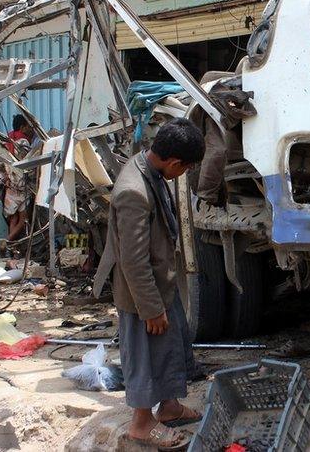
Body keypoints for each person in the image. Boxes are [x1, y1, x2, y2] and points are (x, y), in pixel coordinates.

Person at [97, 118, 205, 451]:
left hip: (161, 282)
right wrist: (151, 309)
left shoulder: (151, 168)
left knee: (169, 345)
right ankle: (142, 424)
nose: (183, 174)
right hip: (140, 292)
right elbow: (132, 261)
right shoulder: (133, 190)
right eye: (185, 169)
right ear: (175, 163)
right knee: (144, 355)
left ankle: (169, 407)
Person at [0, 115, 33, 241]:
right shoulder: (23, 142)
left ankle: (12, 249)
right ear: (22, 127)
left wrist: (4, 178)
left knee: (13, 218)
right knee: (23, 218)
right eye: (29, 126)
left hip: (10, 186)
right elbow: (27, 164)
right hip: (21, 185)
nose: (31, 129)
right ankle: (7, 242)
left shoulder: (7, 140)